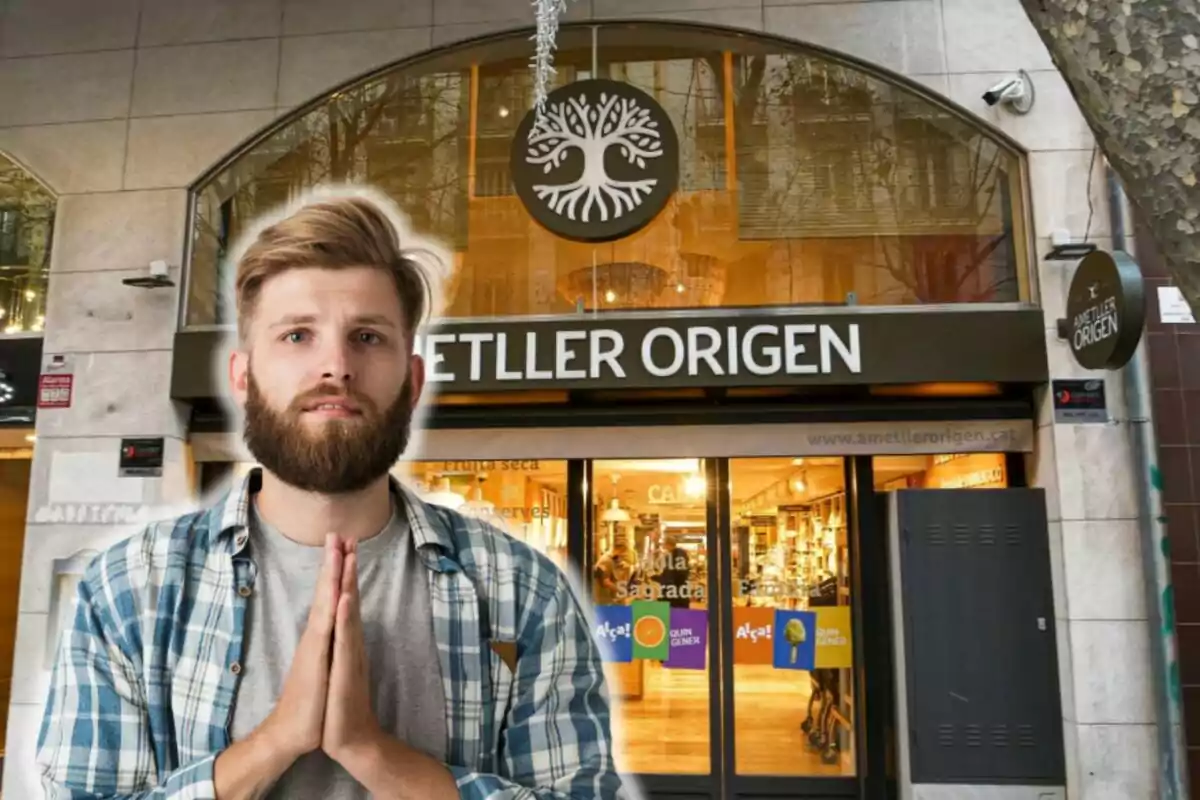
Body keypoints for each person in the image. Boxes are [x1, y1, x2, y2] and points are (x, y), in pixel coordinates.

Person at [35, 189, 627, 799]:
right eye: (297, 336)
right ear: (242, 376)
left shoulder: (520, 591)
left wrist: (373, 753)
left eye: (368, 337)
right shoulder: (130, 588)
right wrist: (273, 743)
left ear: (413, 380)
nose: (336, 367)